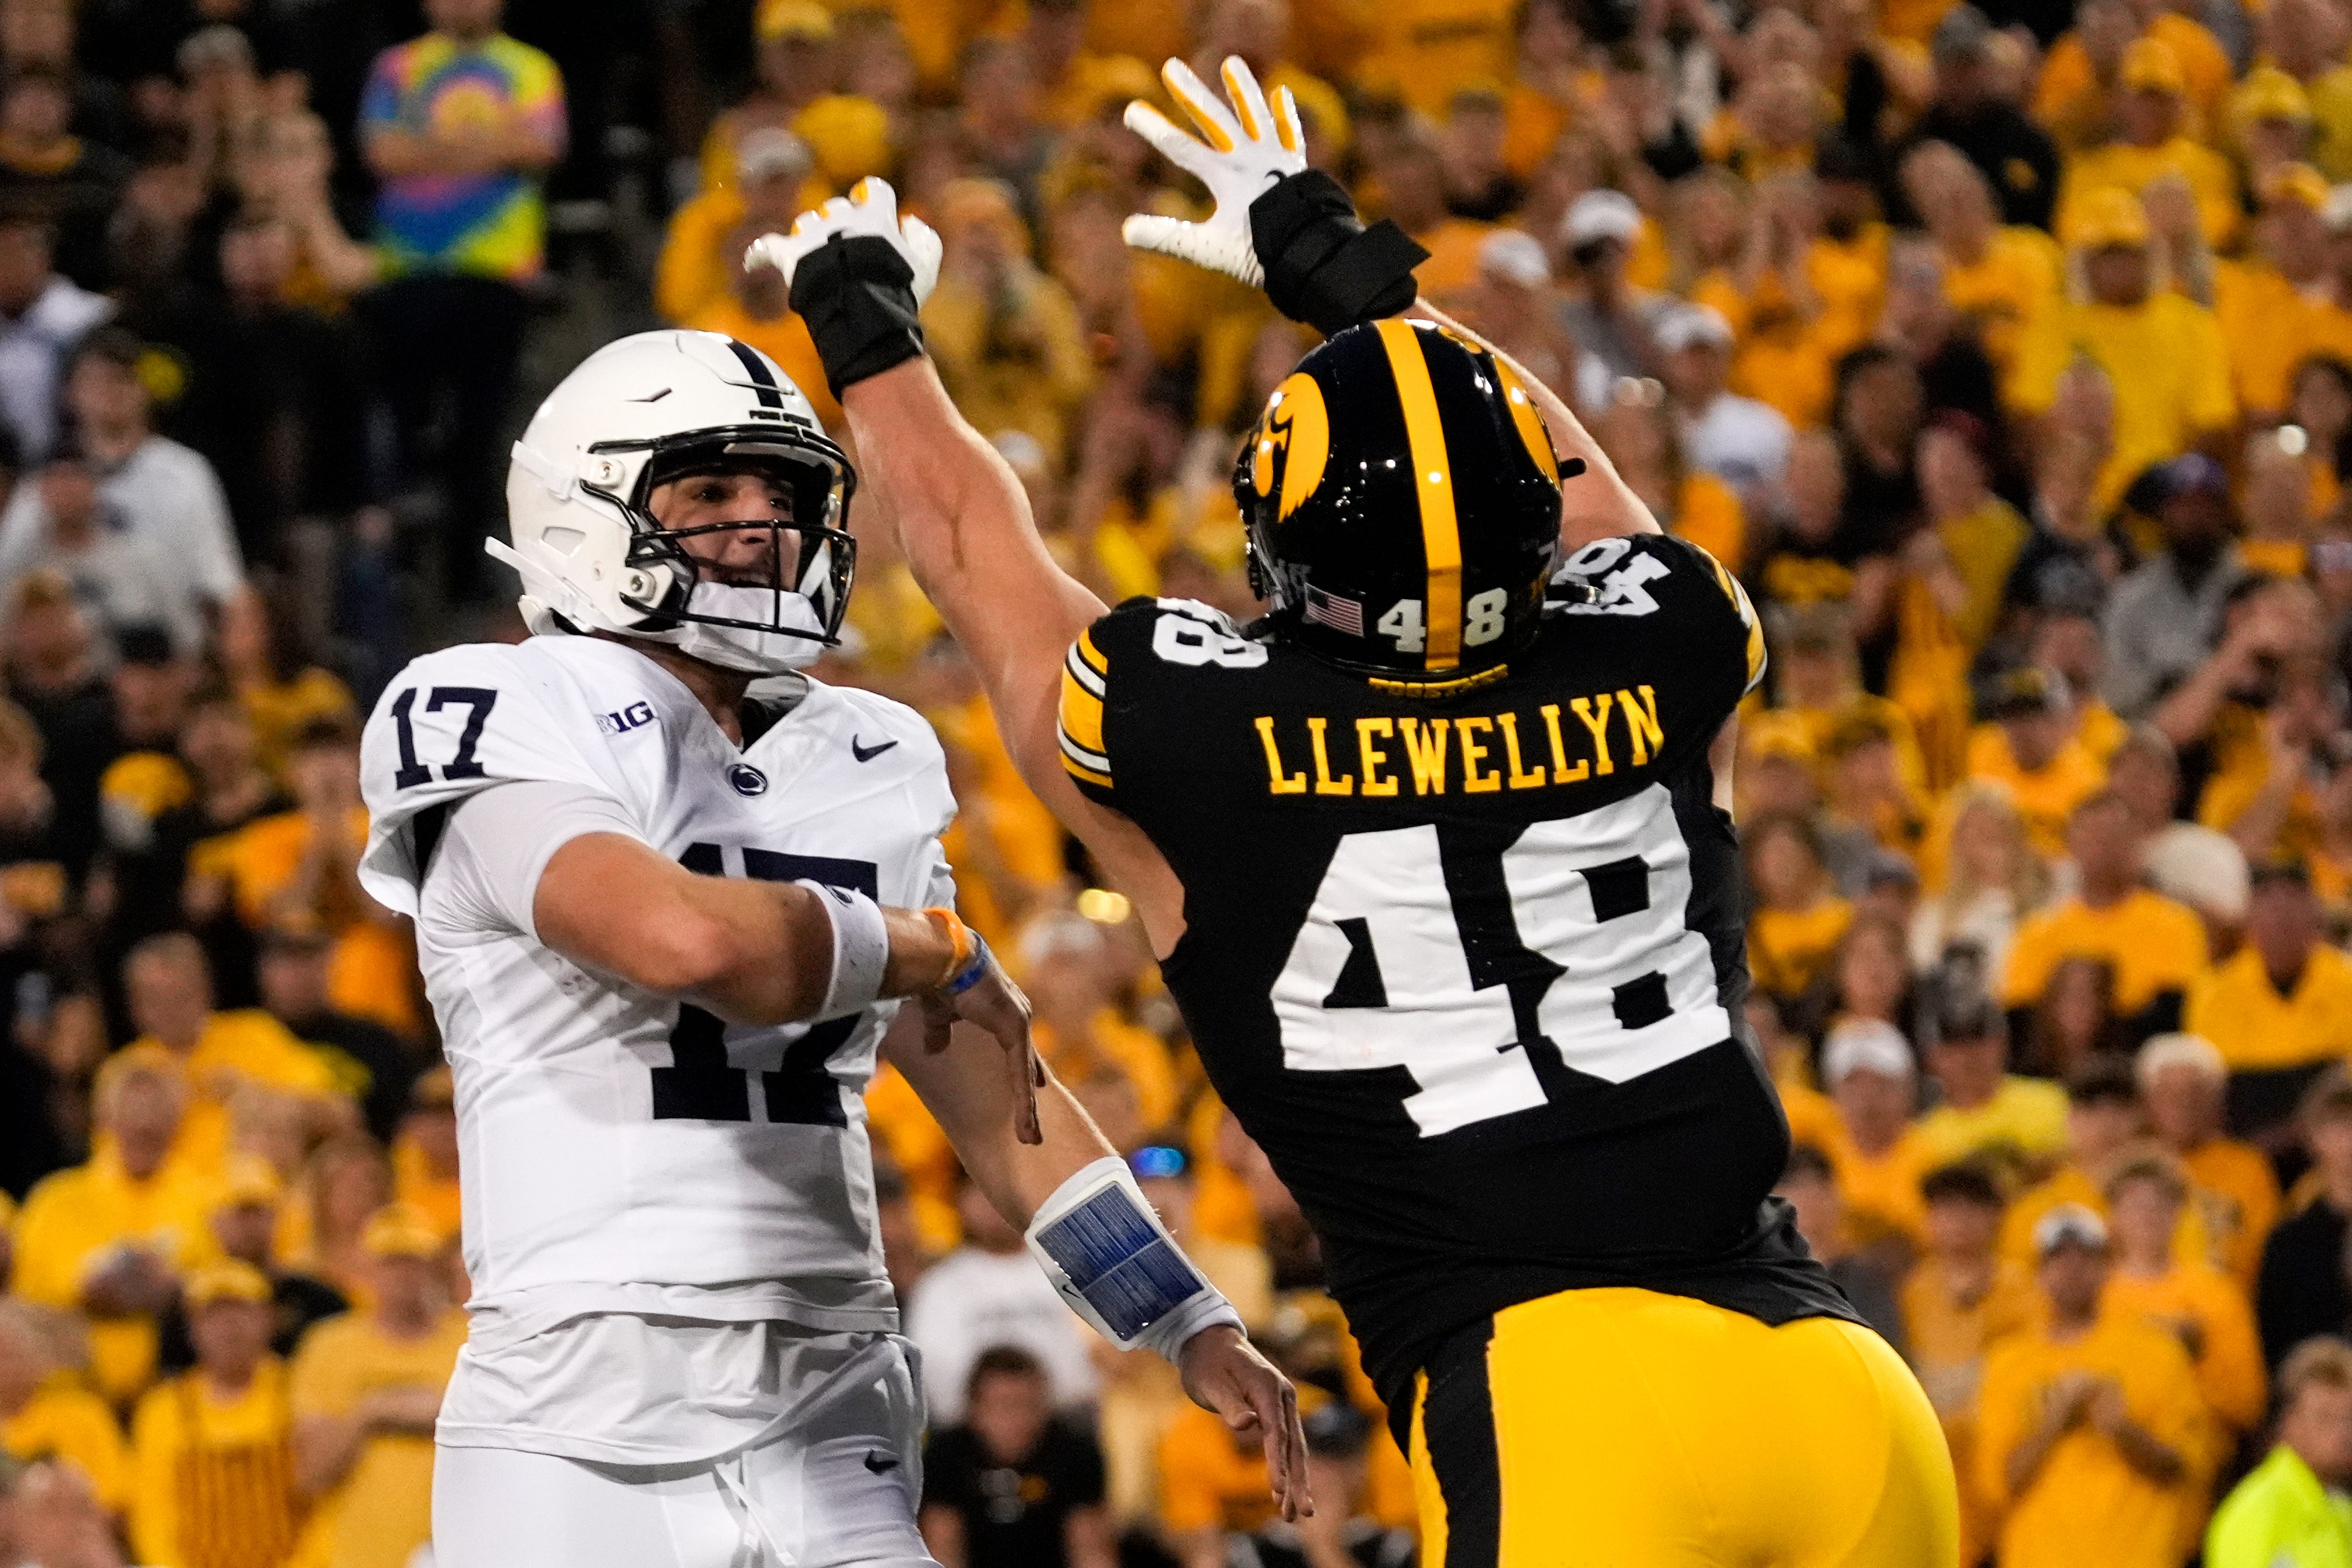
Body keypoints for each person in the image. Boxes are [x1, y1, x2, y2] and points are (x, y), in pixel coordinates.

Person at [761, 60, 1957, 1562]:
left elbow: (953, 535)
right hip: (1835, 1382)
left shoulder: (1192, 732)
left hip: (1559, 1404)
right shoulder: (1665, 639)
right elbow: (1579, 489)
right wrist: (1342, 264)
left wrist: (862, 319)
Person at [355, 328, 1302, 1568]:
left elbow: (992, 1097)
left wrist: (1180, 1316)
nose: (761, 523)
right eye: (709, 490)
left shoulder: (873, 750)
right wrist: (923, 943)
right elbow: (681, 936)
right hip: (582, 1410)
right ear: (582, 510)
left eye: (787, 493)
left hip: (832, 1395)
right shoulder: (494, 699)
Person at [357, 0, 565, 599]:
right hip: (406, 271)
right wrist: (488, 147)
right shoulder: (396, 67)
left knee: (480, 427)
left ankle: (463, 573)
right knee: (402, 422)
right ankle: (398, 561)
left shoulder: (531, 68)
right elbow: (381, 153)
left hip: (495, 273)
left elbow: (541, 149)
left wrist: (429, 148)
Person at [1974, 1205, 2213, 1568]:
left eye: (2085, 1258)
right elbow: (1999, 1485)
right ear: (2039, 1274)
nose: (2072, 1271)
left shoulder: (2157, 1351)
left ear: (2107, 1268)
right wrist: (2054, 1421)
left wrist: (2121, 1430)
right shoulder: (2008, 1362)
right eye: (2058, 1259)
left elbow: (2185, 1468)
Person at [290, 1205, 467, 1568]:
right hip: (358, 1556)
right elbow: (313, 1472)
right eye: (391, 1262)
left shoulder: (468, 1339)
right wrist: (371, 1413)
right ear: (368, 1270)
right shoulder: (329, 1346)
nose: (402, 1276)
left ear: (433, 1269)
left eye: (413, 1262)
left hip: (457, 1548)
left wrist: (378, 1411)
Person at [128, 1260, 304, 1568]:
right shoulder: (162, 1408)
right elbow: (152, 1516)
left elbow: (327, 1508)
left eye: (241, 1312)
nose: (229, 1327)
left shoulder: (301, 1393)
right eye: (214, 1315)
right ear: (192, 1329)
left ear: (268, 1320)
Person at [917, 1345, 1113, 1568]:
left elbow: (1091, 1550)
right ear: (975, 1410)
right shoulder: (946, 1455)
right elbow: (943, 1550)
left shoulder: (1074, 1453)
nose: (1017, 1421)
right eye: (1004, 1407)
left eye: (1028, 1406)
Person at [2205, 1335, 2352, 1568]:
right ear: (2288, 1422)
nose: (2343, 1433)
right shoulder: (2255, 1512)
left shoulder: (2342, 1511)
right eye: (2325, 1418)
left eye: (2347, 1419)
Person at [1225, 1399, 1416, 1568]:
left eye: (1337, 1457)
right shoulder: (1250, 1550)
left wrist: (1324, 1548)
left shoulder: (1394, 1547)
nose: (1321, 1471)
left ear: (1361, 1469)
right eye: (1307, 1455)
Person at [2259, 1067, 2352, 1366]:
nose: (2349, 1141)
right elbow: (2277, 1345)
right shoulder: (2289, 1241)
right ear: (2314, 1138)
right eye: (2339, 1126)